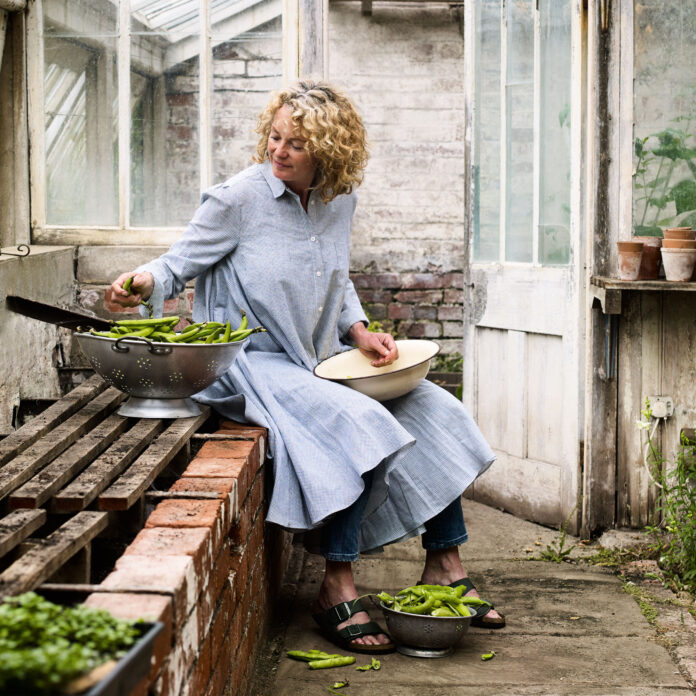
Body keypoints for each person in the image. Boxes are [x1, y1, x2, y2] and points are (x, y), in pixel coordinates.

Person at [106, 80, 503, 654]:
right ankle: (336, 584)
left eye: (295, 143)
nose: (278, 151)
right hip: (250, 364)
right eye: (275, 136)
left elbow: (336, 284)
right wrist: (138, 284)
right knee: (357, 422)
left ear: (329, 151)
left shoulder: (339, 200)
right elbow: (175, 266)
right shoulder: (237, 200)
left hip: (316, 361)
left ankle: (445, 563)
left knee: (434, 408)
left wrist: (361, 332)